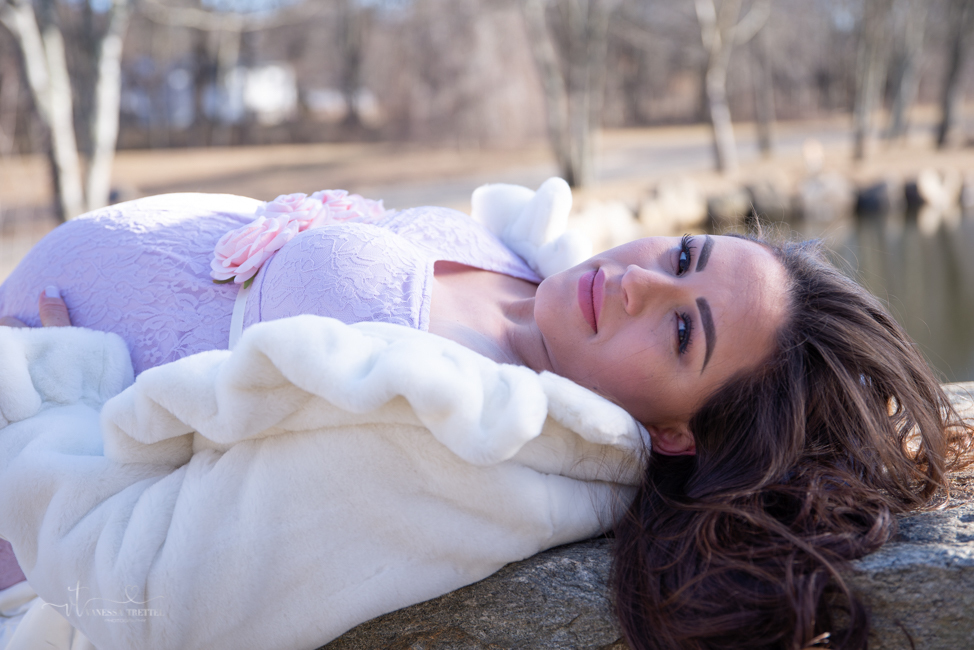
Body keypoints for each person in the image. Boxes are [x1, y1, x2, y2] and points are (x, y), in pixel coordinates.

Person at [0, 188, 969, 649]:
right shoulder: (536, 271)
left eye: (681, 330)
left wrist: (57, 382)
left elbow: (157, 587)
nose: (633, 280)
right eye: (679, 254)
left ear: (676, 432)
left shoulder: (467, 446)